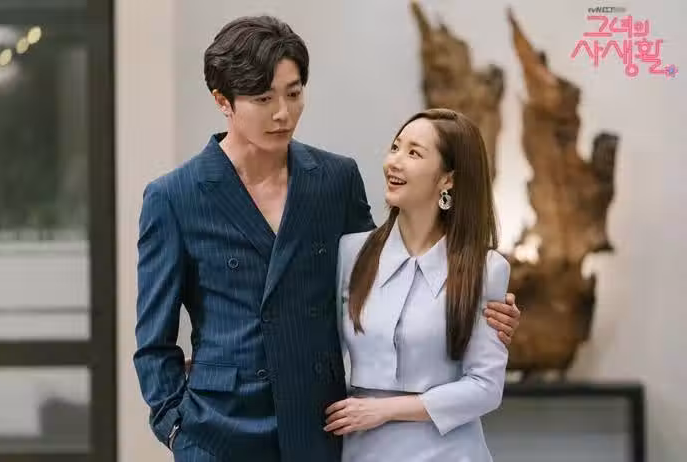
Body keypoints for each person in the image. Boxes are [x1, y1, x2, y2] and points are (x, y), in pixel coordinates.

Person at [133, 15, 521, 462]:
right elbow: (154, 341)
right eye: (263, 98)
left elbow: (379, 280)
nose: (283, 113)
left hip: (320, 424)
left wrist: (478, 304)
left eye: (294, 93)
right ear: (223, 100)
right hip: (219, 429)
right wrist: (176, 427)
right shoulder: (174, 197)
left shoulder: (335, 180)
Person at [326, 108, 509, 462]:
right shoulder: (350, 253)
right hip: (362, 450)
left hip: (450, 452)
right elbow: (322, 353)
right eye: (395, 147)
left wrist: (383, 410)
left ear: (448, 180)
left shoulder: (487, 269)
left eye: (414, 153)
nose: (394, 162)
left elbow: (486, 388)